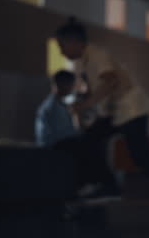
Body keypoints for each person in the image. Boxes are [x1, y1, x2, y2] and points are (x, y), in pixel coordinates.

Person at [55, 17, 149, 225]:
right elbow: (99, 92)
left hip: (132, 108)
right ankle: (108, 185)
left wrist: (85, 105)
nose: (62, 52)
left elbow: (110, 82)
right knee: (89, 139)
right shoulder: (83, 62)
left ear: (75, 42)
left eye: (62, 46)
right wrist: (86, 109)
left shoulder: (97, 54)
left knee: (142, 158)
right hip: (117, 112)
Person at [35, 70, 117, 198]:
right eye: (71, 85)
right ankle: (102, 184)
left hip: (62, 141)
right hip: (54, 145)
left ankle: (98, 184)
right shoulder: (51, 107)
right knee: (88, 146)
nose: (72, 88)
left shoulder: (61, 104)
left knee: (90, 143)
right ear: (62, 85)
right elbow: (64, 134)